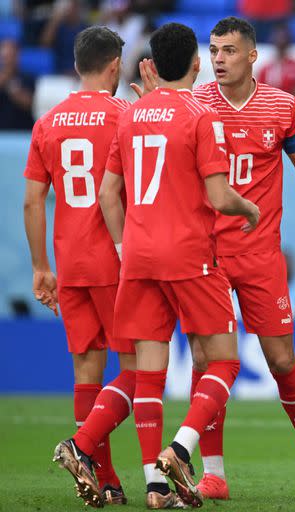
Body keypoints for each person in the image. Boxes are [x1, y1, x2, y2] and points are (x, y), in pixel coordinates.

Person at [56, 22, 260, 510]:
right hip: (189, 255)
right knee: (225, 359)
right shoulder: (202, 115)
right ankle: (181, 449)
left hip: (139, 257)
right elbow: (217, 195)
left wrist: (127, 248)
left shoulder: (129, 115)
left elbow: (109, 193)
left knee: (148, 373)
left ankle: (128, 471)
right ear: (195, 64)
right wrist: (248, 209)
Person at [187, 16, 295, 502]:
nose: (218, 59)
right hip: (206, 252)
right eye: (213, 50)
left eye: (229, 51)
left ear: (252, 55)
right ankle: (213, 473)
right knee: (206, 359)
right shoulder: (194, 104)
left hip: (259, 254)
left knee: (280, 359)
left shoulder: (281, 105)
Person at [24, 26, 133, 507]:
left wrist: (40, 267)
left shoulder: (47, 122)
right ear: (114, 66)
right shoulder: (124, 115)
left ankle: (106, 481)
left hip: (68, 262)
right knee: (140, 367)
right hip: (115, 259)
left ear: (76, 65)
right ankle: (83, 446)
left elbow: (32, 201)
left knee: (87, 369)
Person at [0, 38, 35, 131]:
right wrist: (5, 78)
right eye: (5, 57)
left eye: (11, 55)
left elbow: (32, 104)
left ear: (17, 56)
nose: (8, 60)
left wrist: (14, 90)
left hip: (22, 133)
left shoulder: (28, 78)